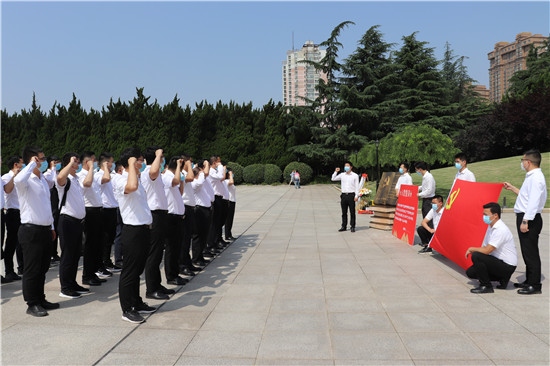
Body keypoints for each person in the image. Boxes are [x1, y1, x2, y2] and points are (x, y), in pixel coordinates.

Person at [112, 148, 156, 324]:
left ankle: (136, 302)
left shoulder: (137, 179)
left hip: (144, 229)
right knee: (129, 271)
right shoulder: (121, 180)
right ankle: (127, 309)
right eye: (139, 160)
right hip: (132, 231)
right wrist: (130, 165)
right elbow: (131, 187)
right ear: (129, 163)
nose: (142, 163)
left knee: (138, 270)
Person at [15, 146, 59, 317]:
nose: (43, 161)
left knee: (43, 268)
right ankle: (32, 303)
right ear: (31, 161)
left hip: (45, 229)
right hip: (30, 230)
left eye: (42, 159)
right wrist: (30, 166)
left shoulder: (41, 180)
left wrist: (52, 227)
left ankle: (40, 298)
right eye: (39, 159)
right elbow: (18, 181)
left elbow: (47, 206)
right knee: (32, 269)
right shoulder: (25, 180)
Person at [504, 149, 547, 295]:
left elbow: (533, 202)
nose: (522, 163)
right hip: (526, 216)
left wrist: (525, 220)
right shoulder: (531, 176)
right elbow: (526, 196)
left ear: (528, 162)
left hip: (529, 218)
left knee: (530, 252)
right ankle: (529, 280)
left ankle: (535, 285)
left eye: (522, 160)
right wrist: (512, 188)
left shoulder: (536, 178)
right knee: (526, 251)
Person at [141, 146, 174, 300]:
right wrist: (158, 153)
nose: (162, 160)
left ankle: (157, 284)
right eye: (161, 158)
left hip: (160, 215)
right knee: (153, 253)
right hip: (154, 215)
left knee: (158, 252)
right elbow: (153, 171)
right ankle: (151, 289)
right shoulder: (149, 172)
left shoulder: (156, 173)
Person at [56, 153, 90, 299]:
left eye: (76, 161)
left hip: (77, 222)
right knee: (68, 255)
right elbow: (59, 178)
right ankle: (65, 287)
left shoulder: (75, 179)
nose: (77, 164)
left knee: (75, 255)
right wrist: (69, 163)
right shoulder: (65, 179)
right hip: (67, 221)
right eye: (75, 162)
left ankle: (72, 282)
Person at [465, 202, 517, 293]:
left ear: (495, 215)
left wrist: (471, 249)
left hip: (507, 266)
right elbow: (485, 247)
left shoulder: (500, 229)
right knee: (470, 272)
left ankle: (486, 286)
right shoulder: (491, 227)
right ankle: (502, 279)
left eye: (486, 214)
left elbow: (488, 250)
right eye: (483, 214)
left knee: (476, 255)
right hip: (497, 261)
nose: (484, 217)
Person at [77, 151, 108, 286]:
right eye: (93, 161)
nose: (95, 163)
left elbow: (103, 180)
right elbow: (87, 184)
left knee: (97, 244)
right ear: (86, 162)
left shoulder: (93, 174)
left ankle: (93, 272)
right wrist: (90, 168)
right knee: (90, 245)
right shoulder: (81, 175)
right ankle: (87, 276)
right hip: (89, 212)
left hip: (98, 211)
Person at [162, 156, 189, 286]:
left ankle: (175, 273)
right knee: (171, 248)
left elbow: (180, 191)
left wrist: (182, 180)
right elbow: (175, 181)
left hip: (177, 216)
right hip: (170, 217)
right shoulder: (167, 176)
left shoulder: (173, 176)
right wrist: (179, 167)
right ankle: (171, 276)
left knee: (177, 247)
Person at [96, 152, 121, 273]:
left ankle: (107, 262)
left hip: (112, 209)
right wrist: (105, 167)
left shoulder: (111, 175)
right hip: (104, 210)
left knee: (109, 239)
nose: (113, 164)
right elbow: (105, 179)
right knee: (104, 239)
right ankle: (101, 264)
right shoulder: (99, 174)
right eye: (111, 161)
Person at [2, 155, 24, 282]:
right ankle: (9, 271)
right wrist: (14, 176)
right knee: (11, 243)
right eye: (21, 163)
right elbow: (8, 190)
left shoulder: (22, 176)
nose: (23, 165)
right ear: (16, 164)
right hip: (12, 213)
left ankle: (22, 267)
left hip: (22, 213)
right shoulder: (6, 177)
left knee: (21, 242)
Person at [179, 154, 199, 276]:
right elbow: (191, 177)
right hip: (184, 207)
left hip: (189, 208)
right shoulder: (181, 174)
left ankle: (187, 262)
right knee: (184, 239)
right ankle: (182, 265)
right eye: (189, 162)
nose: (191, 165)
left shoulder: (184, 174)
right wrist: (187, 165)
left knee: (188, 238)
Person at [192, 161, 212, 267]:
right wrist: (205, 168)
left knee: (204, 235)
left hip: (205, 210)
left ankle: (200, 256)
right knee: (198, 236)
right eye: (200, 175)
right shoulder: (194, 184)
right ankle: (196, 258)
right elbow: (199, 182)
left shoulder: (200, 184)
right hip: (199, 211)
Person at [332, 162, 360, 233]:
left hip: (351, 195)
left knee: (352, 212)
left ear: (351, 167)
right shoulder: (342, 175)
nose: (346, 167)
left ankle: (352, 226)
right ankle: (343, 226)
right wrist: (336, 172)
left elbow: (357, 186)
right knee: (344, 212)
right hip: (344, 195)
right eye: (345, 166)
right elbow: (333, 179)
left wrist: (357, 196)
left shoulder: (355, 175)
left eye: (347, 166)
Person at [46, 155, 62, 266]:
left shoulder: (58, 174)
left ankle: (55, 253)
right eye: (55, 162)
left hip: (58, 206)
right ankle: (50, 254)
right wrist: (52, 168)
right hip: (51, 205)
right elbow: (52, 182)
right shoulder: (47, 174)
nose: (57, 164)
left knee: (57, 231)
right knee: (52, 232)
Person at [224, 168, 237, 241]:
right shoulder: (226, 181)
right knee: (228, 219)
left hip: (232, 201)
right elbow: (231, 182)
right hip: (229, 201)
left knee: (230, 219)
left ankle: (229, 233)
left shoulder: (228, 181)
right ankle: (227, 235)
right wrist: (231, 175)